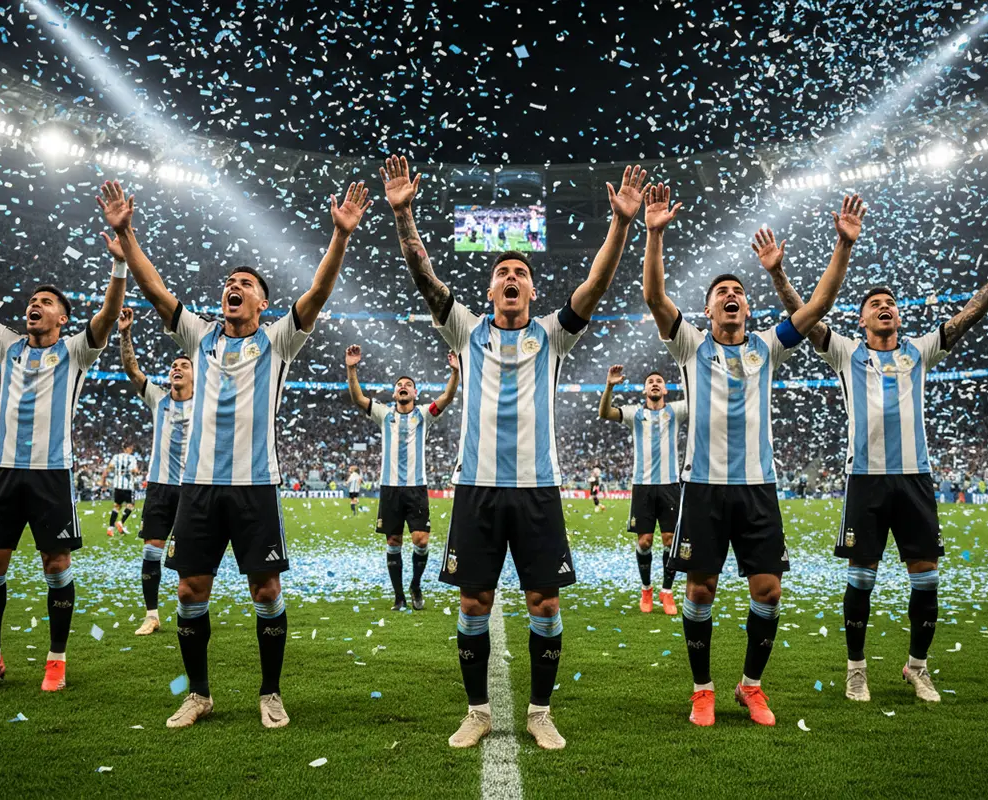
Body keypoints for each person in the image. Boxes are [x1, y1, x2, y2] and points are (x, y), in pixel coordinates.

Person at [382, 153, 646, 750]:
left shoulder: (551, 334)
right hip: (476, 487)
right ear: (489, 287)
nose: (510, 277)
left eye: (520, 272)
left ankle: (539, 710)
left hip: (536, 489)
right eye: (502, 270)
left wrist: (621, 225)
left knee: (543, 600)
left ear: (530, 288)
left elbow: (596, 285)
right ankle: (477, 712)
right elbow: (423, 275)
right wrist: (405, 217)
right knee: (474, 600)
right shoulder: (466, 329)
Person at [98, 177, 370, 729]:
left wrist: (339, 237)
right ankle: (198, 694)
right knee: (190, 589)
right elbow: (155, 292)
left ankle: (270, 692)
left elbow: (316, 294)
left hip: (255, 487)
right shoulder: (200, 338)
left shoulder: (277, 340)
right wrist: (126, 235)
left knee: (266, 589)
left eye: (245, 282)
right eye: (230, 281)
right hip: (197, 488)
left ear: (262, 302)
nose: (234, 286)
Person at [766, 221, 988, 704]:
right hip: (865, 481)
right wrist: (778, 274)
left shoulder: (919, 351)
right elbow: (801, 315)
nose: (885, 306)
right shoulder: (845, 353)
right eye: (875, 304)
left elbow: (969, 315)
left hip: (915, 480)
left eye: (890, 302)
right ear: (862, 320)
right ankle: (856, 670)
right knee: (862, 580)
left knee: (927, 578)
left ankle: (917, 667)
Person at [643, 185, 864, 727]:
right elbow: (654, 297)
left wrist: (843, 246)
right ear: (708, 308)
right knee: (701, 589)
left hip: (757, 489)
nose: (730, 295)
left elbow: (819, 308)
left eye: (737, 290)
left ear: (747, 305)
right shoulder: (691, 344)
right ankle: (703, 690)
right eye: (721, 291)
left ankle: (751, 686)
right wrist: (654, 234)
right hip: (703, 488)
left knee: (767, 589)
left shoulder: (767, 344)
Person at [0, 205, 126, 694]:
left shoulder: (76, 351)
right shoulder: (9, 346)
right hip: (3, 473)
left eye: (46, 301)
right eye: (33, 300)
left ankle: (56, 660)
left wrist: (119, 265)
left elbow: (108, 315)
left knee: (56, 565)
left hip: (51, 473)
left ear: (62, 316)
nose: (35, 304)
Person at [345, 344, 459, 611]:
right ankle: (399, 595)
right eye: (400, 385)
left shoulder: (423, 415)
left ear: (415, 392)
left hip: (416, 488)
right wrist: (351, 368)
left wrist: (455, 373)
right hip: (390, 489)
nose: (404, 386)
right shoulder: (384, 414)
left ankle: (416, 584)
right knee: (393, 541)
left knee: (421, 540)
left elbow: (448, 396)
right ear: (395, 393)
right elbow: (358, 398)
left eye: (408, 384)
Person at [116, 306, 195, 635]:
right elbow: (132, 370)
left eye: (184, 365)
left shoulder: (206, 399)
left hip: (193, 487)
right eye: (174, 365)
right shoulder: (158, 399)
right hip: (160, 487)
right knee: (151, 551)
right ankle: (152, 615)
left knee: (188, 557)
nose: (176, 368)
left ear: (195, 374)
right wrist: (125, 333)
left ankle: (188, 609)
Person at [598, 365, 685, 615]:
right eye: (651, 381)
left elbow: (701, 397)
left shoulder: (677, 411)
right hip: (642, 486)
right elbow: (604, 413)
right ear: (645, 389)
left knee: (670, 539)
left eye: (659, 381)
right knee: (645, 541)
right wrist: (610, 386)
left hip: (670, 485)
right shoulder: (634, 414)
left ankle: (666, 592)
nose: (655, 383)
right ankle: (646, 588)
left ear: (665, 389)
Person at [100, 443, 140, 537]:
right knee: (130, 505)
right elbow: (134, 470)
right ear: (128, 448)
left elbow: (109, 468)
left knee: (117, 506)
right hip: (127, 486)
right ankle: (121, 522)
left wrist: (103, 480)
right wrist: (137, 472)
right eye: (131, 448)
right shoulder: (132, 458)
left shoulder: (116, 457)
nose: (132, 450)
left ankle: (110, 528)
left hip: (117, 485)